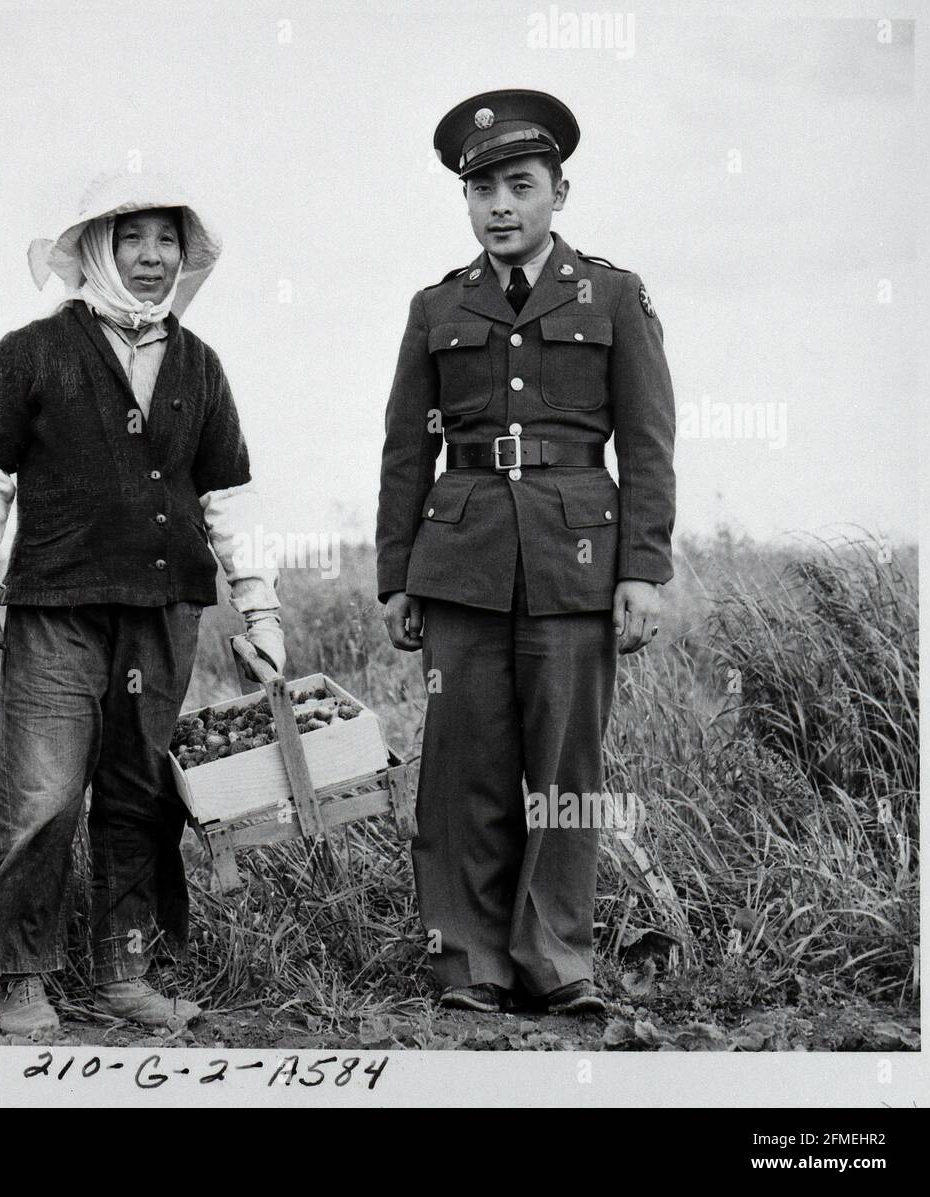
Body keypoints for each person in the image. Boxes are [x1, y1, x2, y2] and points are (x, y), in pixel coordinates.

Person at [0, 169, 285, 1034]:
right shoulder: (33, 351)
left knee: (138, 791)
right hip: (59, 604)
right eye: (133, 239)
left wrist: (261, 607)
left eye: (167, 240)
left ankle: (123, 974)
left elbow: (230, 494)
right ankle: (21, 974)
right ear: (97, 248)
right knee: (43, 791)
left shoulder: (201, 366)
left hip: (165, 607)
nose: (152, 256)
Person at [375, 89, 675, 1016]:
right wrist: (396, 574)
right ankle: (468, 963)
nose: (499, 206)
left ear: (559, 190)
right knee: (461, 772)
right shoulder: (437, 305)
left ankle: (556, 961)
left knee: (565, 776)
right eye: (482, 192)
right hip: (459, 562)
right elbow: (402, 449)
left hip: (576, 559)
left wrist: (643, 568)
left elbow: (650, 440)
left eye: (519, 185)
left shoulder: (613, 295)